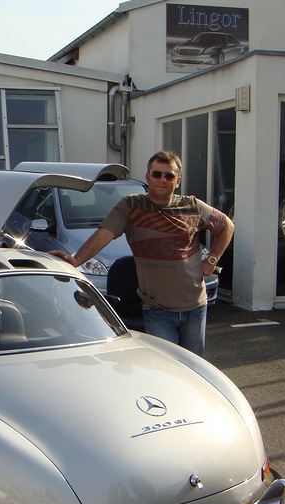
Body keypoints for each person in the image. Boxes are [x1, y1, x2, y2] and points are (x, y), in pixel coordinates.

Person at [51, 151, 234, 357]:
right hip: (158, 311)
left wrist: (211, 260)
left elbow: (227, 226)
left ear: (178, 180)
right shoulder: (131, 206)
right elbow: (104, 235)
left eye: (169, 176)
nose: (162, 180)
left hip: (195, 307)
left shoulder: (191, 205)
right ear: (148, 177)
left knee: (193, 369)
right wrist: (76, 260)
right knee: (165, 368)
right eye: (157, 174)